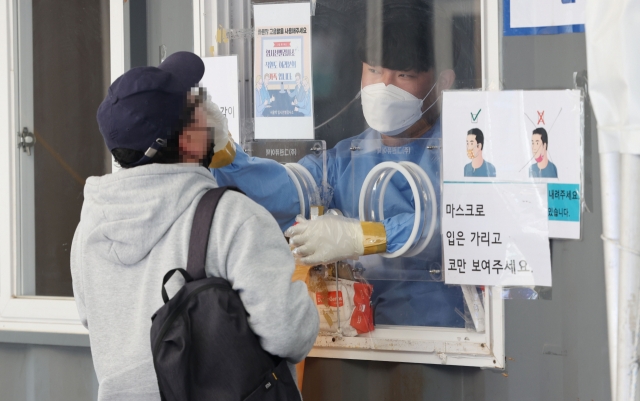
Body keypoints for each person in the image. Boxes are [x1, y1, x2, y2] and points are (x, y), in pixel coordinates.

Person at [70, 52, 318, 400]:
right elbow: (290, 333)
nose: (209, 108)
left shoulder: (89, 230)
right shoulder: (233, 219)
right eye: (198, 104)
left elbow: (94, 322)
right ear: (187, 139)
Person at [210, 1, 464, 327]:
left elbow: (456, 226)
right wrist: (229, 157)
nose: (382, 87)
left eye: (403, 75)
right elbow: (292, 191)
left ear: (442, 82)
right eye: (373, 70)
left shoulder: (460, 154)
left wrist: (363, 237)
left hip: (442, 341)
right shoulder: (348, 157)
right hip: (358, 339)